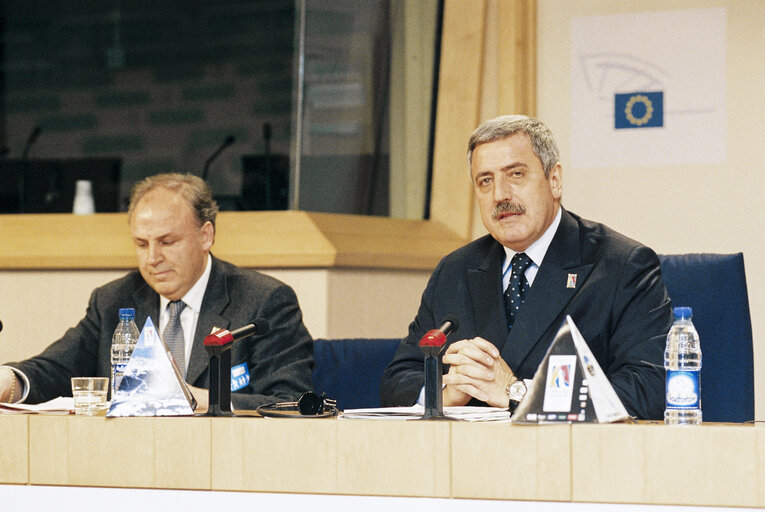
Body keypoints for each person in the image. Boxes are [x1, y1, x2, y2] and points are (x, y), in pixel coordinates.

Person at [380, 115, 672, 420]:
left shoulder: (622, 266)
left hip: (573, 459)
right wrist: (444, 392)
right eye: (485, 181)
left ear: (554, 180)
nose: (500, 195)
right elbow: (398, 379)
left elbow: (648, 389)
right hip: (470, 459)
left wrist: (516, 391)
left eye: (516, 174)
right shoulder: (455, 270)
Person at [0, 173, 313, 410]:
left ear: (206, 236)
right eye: (141, 244)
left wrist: (189, 398)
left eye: (167, 242)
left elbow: (291, 402)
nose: (152, 259)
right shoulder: (114, 300)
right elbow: (55, 368)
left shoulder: (263, 301)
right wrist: (8, 380)